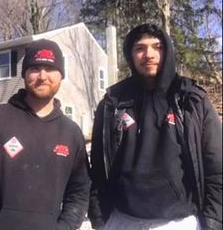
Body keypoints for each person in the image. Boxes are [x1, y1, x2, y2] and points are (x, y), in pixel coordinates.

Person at [88, 24, 222, 230]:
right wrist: (100, 219)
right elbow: (97, 168)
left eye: (157, 47)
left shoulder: (191, 99)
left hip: (179, 222)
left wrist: (213, 222)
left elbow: (216, 166)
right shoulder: (112, 103)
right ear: (130, 55)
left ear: (167, 51)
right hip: (122, 220)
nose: (148, 54)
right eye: (140, 48)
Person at [0, 39, 91, 230]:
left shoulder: (71, 133)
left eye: (50, 68)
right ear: (24, 74)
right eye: (35, 68)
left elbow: (79, 190)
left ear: (61, 75)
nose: (42, 76)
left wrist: (64, 227)